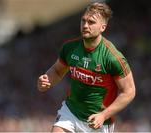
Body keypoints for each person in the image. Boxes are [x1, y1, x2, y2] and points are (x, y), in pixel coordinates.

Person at [37, 2, 136, 133]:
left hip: (98, 121)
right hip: (70, 113)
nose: (85, 25)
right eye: (83, 21)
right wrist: (47, 80)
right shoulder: (70, 48)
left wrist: (103, 115)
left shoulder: (112, 57)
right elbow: (56, 71)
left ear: (103, 27)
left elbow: (129, 91)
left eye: (91, 22)